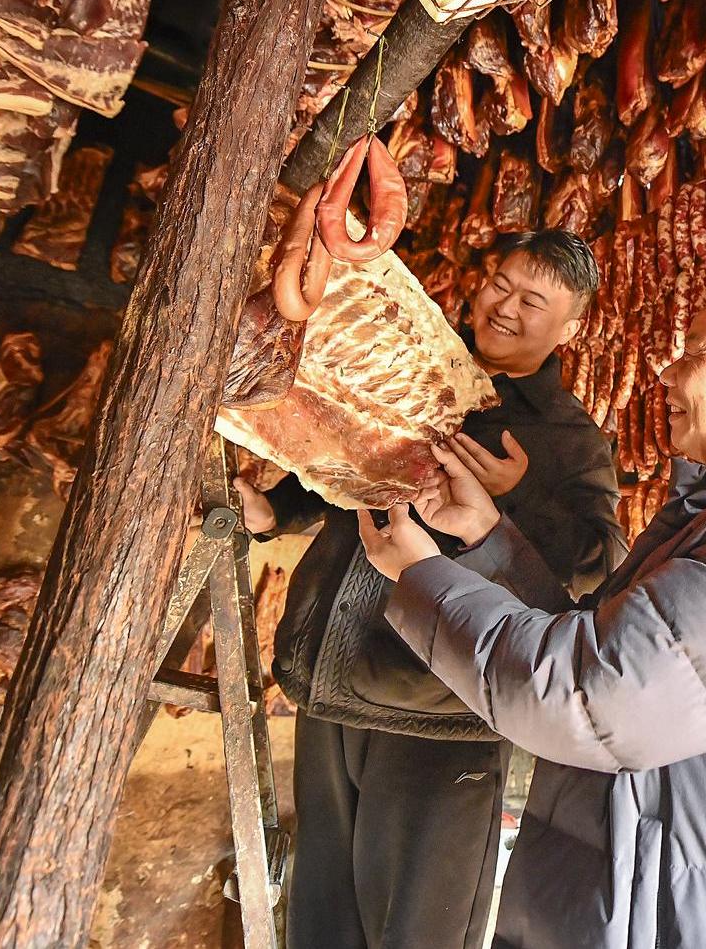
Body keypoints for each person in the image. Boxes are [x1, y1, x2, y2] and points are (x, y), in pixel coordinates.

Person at [359, 277, 706, 949]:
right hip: (642, 904)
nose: (667, 373)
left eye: (695, 353)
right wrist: (486, 538)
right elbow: (603, 648)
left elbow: (595, 699)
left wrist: (422, 577)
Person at [246, 230, 626, 949]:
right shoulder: (411, 364)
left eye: (533, 301)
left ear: (570, 328)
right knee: (320, 919)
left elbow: (601, 564)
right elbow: (341, 469)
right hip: (334, 678)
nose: (505, 306)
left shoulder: (568, 438)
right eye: (501, 284)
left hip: (441, 709)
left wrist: (519, 493)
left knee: (417, 929)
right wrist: (274, 512)